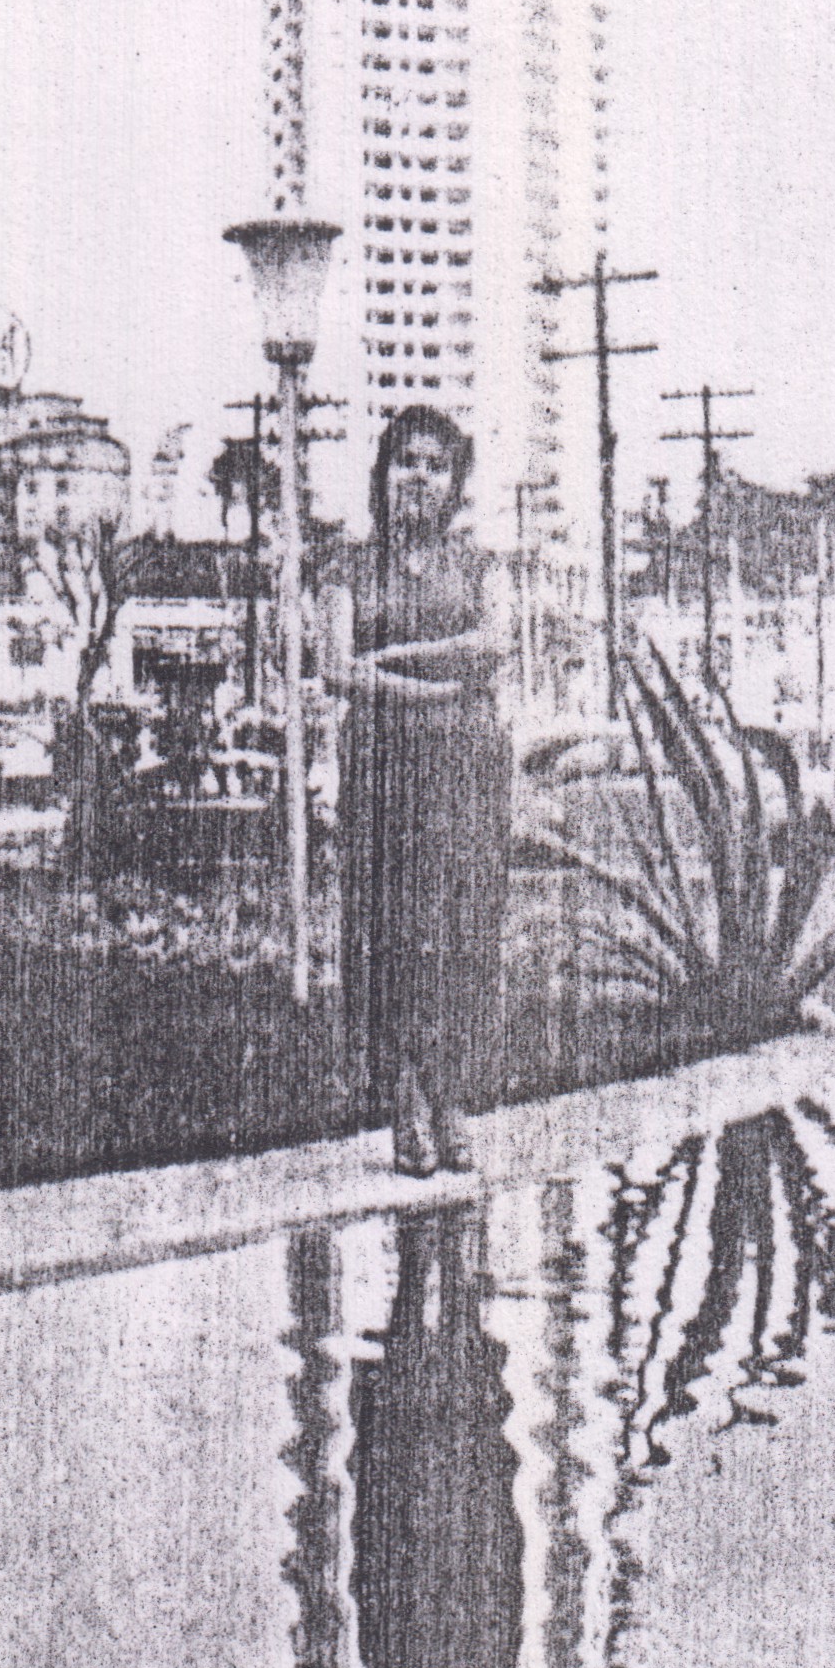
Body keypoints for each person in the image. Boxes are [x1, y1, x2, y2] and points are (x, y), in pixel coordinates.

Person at [327, 405, 511, 1176]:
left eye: (436, 465)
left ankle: (450, 1096)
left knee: (457, 932)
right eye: (407, 461)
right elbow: (336, 667)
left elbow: (493, 644)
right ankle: (403, 1097)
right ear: (384, 473)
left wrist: (391, 660)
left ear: (454, 482)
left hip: (462, 769)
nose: (420, 478)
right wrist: (435, 683)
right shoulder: (350, 567)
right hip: (382, 766)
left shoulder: (480, 565)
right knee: (393, 931)